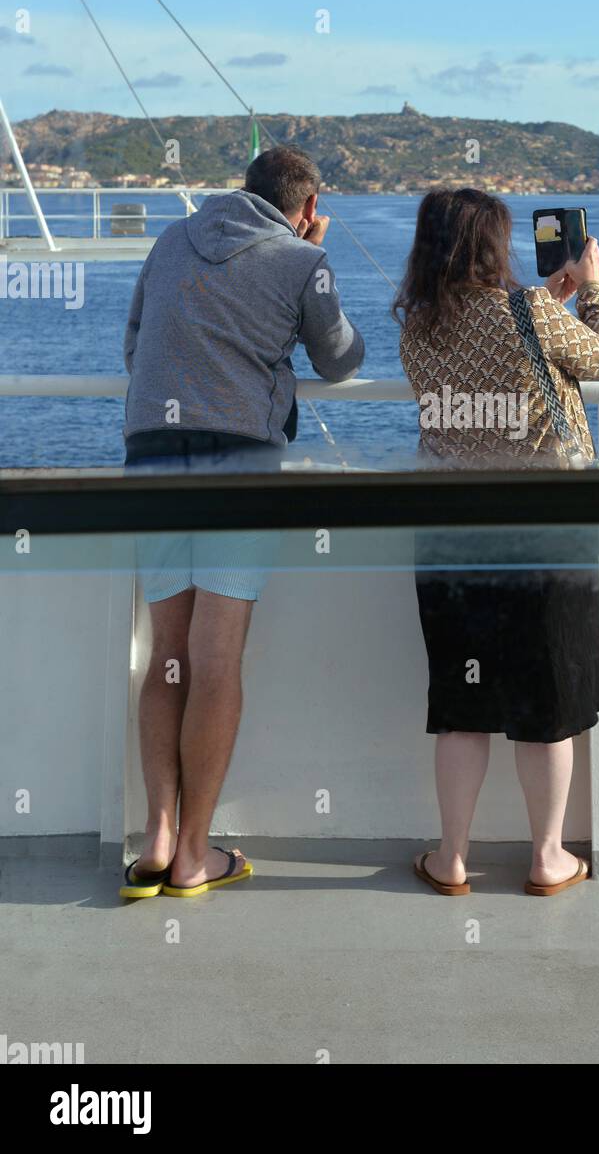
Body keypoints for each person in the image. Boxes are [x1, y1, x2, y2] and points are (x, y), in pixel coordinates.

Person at [119, 146, 364, 899]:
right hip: (238, 462)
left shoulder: (171, 238)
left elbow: (132, 346)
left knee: (168, 653)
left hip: (152, 453)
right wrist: (311, 263)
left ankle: (156, 837)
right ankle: (194, 854)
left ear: (242, 190)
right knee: (216, 660)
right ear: (308, 207)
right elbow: (343, 361)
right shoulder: (300, 260)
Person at [394, 188, 599, 896]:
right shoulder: (524, 312)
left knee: (461, 705)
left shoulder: (417, 327)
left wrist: (543, 301)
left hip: (450, 537)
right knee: (546, 702)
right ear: (493, 244)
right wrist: (593, 291)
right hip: (542, 528)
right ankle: (546, 857)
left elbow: (484, 361)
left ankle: (452, 858)